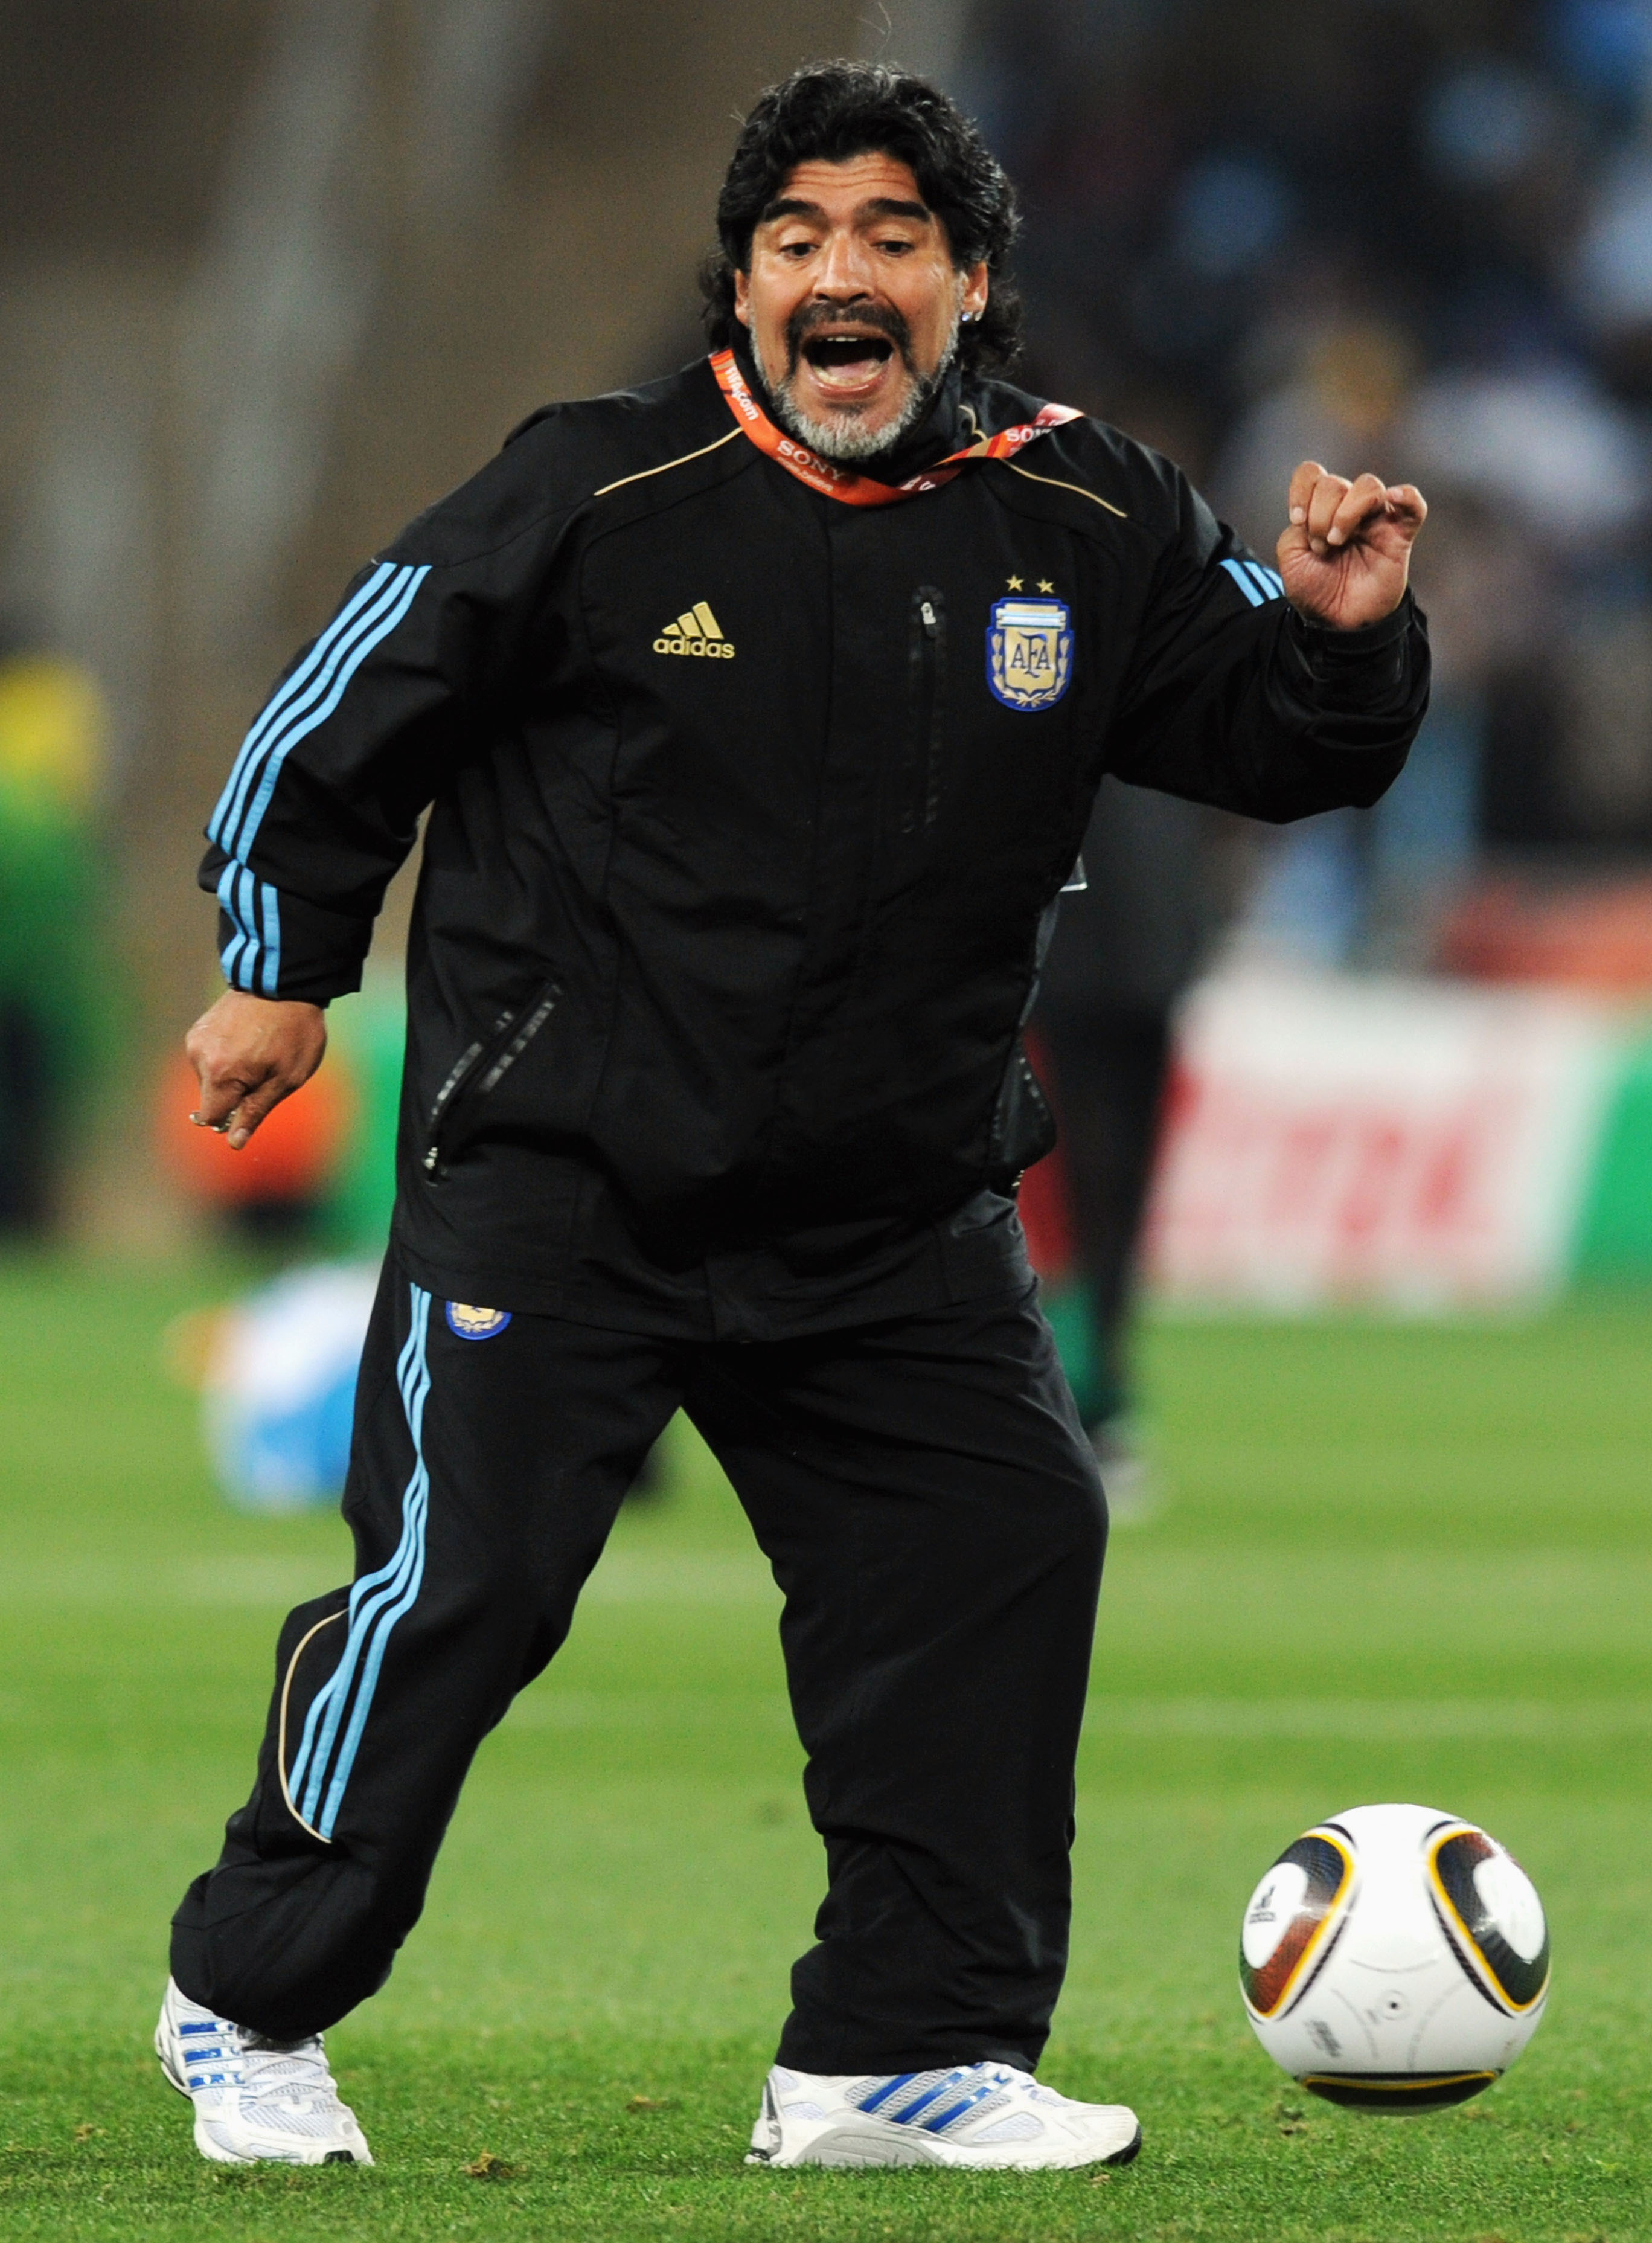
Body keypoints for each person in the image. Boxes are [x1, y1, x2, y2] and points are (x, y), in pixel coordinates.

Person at [159, 62, 1429, 2174]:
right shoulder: (593, 487)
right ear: (744, 285)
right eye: (800, 240)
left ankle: (890, 2057)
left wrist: (1342, 641)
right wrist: (280, 964)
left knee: (1004, 1536)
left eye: (892, 240)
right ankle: (247, 2000)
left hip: (888, 1206)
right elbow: (341, 705)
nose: (844, 277)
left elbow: (1269, 733)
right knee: (460, 1592)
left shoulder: (1092, 507)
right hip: (564, 1179)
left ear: (971, 283)